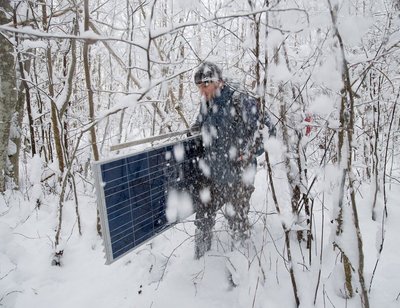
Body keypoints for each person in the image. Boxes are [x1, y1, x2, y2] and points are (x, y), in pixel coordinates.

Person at [191, 61, 275, 259]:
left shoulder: (241, 99)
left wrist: (247, 151)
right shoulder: (207, 103)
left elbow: (268, 130)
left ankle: (241, 265)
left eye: (205, 85)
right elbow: (198, 127)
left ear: (218, 82)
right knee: (203, 216)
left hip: (239, 175)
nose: (202, 92)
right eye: (199, 87)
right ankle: (199, 262)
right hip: (213, 173)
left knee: (236, 219)